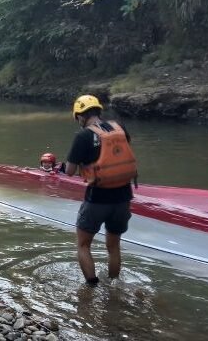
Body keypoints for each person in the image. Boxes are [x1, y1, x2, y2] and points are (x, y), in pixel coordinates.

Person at [64, 95, 137, 287]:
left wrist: (60, 167)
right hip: (123, 198)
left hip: (97, 199)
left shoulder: (83, 136)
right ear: (98, 111)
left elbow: (70, 171)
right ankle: (113, 287)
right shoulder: (120, 128)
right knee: (114, 246)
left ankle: (91, 288)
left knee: (83, 245)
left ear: (80, 116)